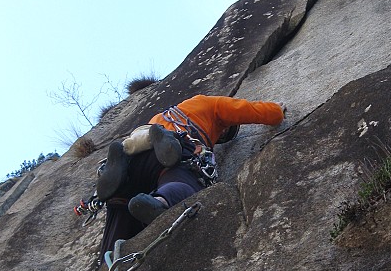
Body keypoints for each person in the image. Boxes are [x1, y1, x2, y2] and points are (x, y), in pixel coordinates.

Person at [96, 94, 285, 261]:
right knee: (183, 181)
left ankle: (110, 255)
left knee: (120, 202)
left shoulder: (160, 117)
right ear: (227, 126)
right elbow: (254, 111)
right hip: (174, 152)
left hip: (136, 156)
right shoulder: (211, 104)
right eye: (224, 133)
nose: (220, 136)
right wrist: (277, 110)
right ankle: (160, 201)